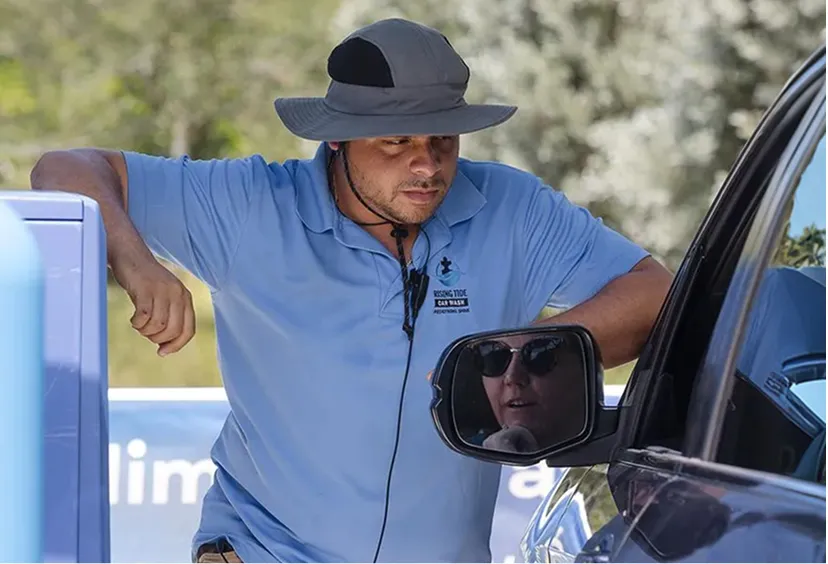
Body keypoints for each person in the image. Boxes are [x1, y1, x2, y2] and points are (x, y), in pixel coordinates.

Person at [29, 17, 672, 564]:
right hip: (263, 549)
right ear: (337, 136)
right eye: (397, 141)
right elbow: (67, 168)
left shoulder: (515, 209)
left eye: (442, 138)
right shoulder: (251, 204)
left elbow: (652, 293)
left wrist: (526, 358)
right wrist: (138, 264)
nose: (427, 164)